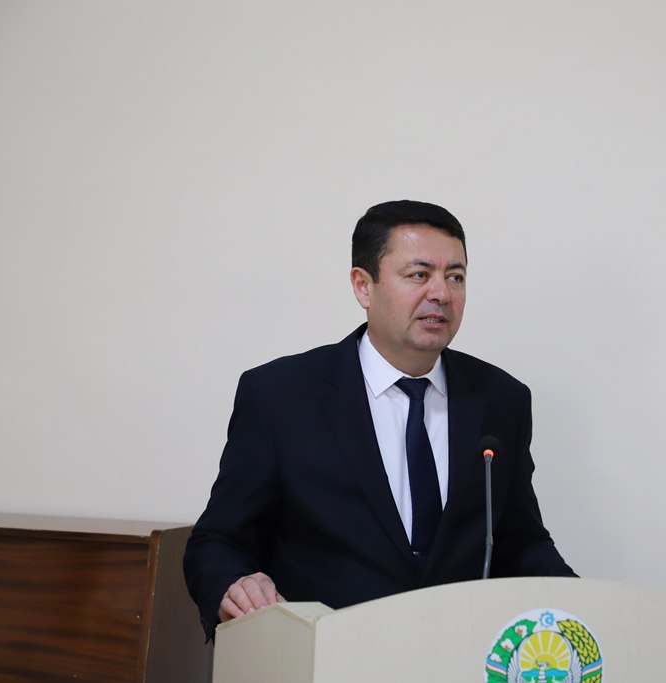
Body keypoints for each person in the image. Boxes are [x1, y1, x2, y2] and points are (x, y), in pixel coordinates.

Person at [183, 200, 574, 640]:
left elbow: (519, 543)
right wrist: (234, 584)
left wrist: (585, 609)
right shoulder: (282, 396)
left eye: (456, 277)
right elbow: (218, 541)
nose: (442, 294)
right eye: (419, 275)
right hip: (327, 655)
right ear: (363, 286)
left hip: (455, 654)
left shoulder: (501, 399)